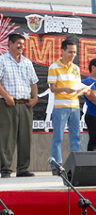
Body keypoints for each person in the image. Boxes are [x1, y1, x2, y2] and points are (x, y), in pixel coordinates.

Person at [0, 33, 38, 178]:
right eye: (18, 43)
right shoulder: (2, 60)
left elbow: (33, 82)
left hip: (26, 104)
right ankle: (5, 169)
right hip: (8, 104)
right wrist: (6, 96)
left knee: (25, 137)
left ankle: (23, 169)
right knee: (6, 137)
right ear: (9, 44)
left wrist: (35, 98)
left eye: (23, 44)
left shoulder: (27, 62)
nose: (21, 46)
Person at [48, 38, 81, 175]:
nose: (72, 55)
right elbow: (52, 88)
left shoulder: (76, 68)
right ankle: (56, 167)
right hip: (61, 106)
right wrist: (65, 90)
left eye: (74, 52)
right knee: (58, 137)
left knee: (76, 137)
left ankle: (76, 165)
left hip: (75, 106)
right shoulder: (54, 67)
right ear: (62, 51)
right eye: (70, 52)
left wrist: (83, 90)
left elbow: (78, 86)